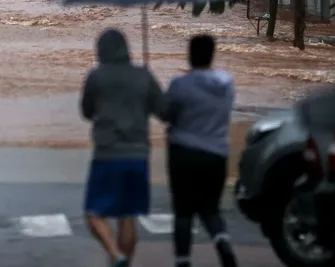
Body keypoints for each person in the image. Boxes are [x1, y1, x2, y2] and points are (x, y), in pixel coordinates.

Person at [80, 29, 167, 267]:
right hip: (138, 155)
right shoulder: (143, 76)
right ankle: (123, 262)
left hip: (107, 154)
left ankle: (116, 255)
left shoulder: (96, 76)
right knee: (128, 218)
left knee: (94, 214)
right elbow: (164, 110)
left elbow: (86, 112)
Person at [165, 35, 238, 267]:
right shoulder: (226, 84)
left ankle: (183, 260)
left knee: (183, 210)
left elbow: (167, 114)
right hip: (216, 154)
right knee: (210, 209)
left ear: (190, 54)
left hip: (184, 154)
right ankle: (223, 242)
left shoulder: (180, 85)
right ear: (212, 54)